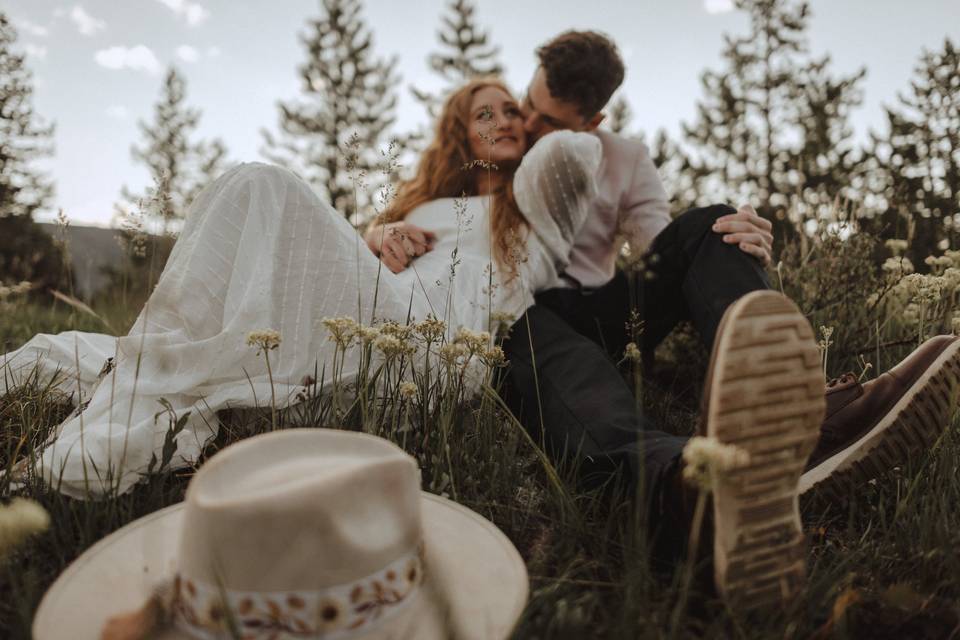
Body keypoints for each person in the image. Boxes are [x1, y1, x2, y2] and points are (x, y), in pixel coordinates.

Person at [2, 79, 603, 500]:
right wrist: (380, 233)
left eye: (510, 111)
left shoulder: (531, 202)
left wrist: (564, 117)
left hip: (432, 343)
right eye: (483, 114)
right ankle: (156, 366)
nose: (501, 121)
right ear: (460, 135)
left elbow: (577, 155)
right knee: (253, 184)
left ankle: (154, 372)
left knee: (264, 182)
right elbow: (349, 254)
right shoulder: (428, 203)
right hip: (372, 311)